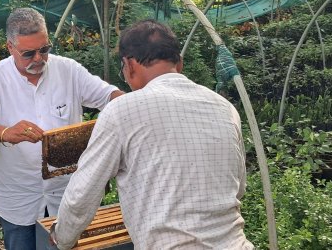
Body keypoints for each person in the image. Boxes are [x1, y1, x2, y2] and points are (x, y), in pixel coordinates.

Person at [51, 20, 253, 249]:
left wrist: (62, 237)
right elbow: (239, 187)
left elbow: (82, 193)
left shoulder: (121, 110)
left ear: (129, 65)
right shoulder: (224, 108)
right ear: (180, 63)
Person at [0, 8, 124, 250]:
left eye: (44, 50)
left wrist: (130, 107)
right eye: (28, 53)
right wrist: (5, 132)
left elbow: (111, 95)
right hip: (19, 198)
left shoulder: (68, 70)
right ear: (10, 47)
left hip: (67, 197)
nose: (38, 59)